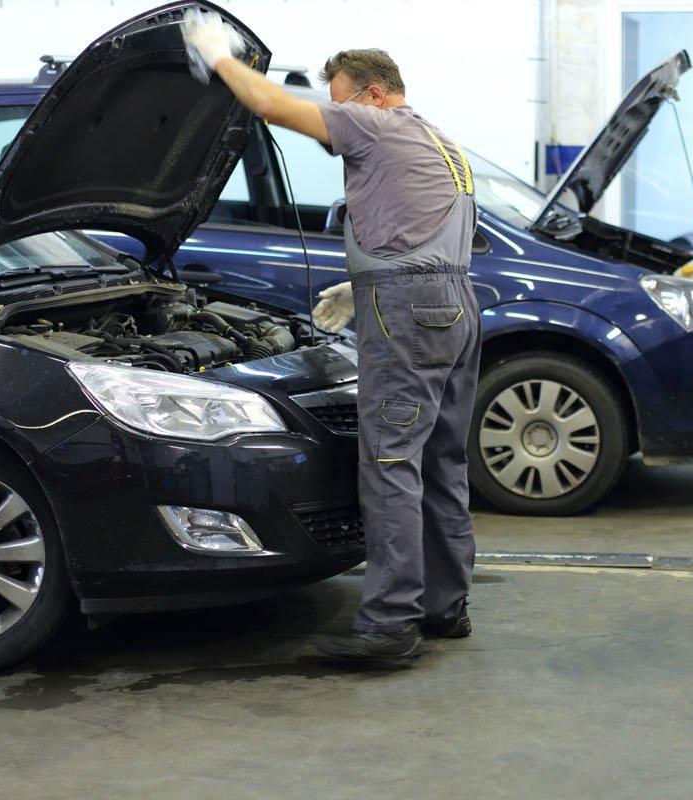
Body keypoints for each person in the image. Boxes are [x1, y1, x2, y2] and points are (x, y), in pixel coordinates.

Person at [182, 11, 481, 661]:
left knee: (392, 464)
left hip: (408, 310)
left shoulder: (374, 123)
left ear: (373, 93)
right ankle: (443, 606)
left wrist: (219, 57)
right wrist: (366, 282)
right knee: (440, 462)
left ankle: (389, 625)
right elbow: (428, 232)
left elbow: (269, 104)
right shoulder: (442, 143)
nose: (337, 121)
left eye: (340, 99)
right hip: (454, 303)